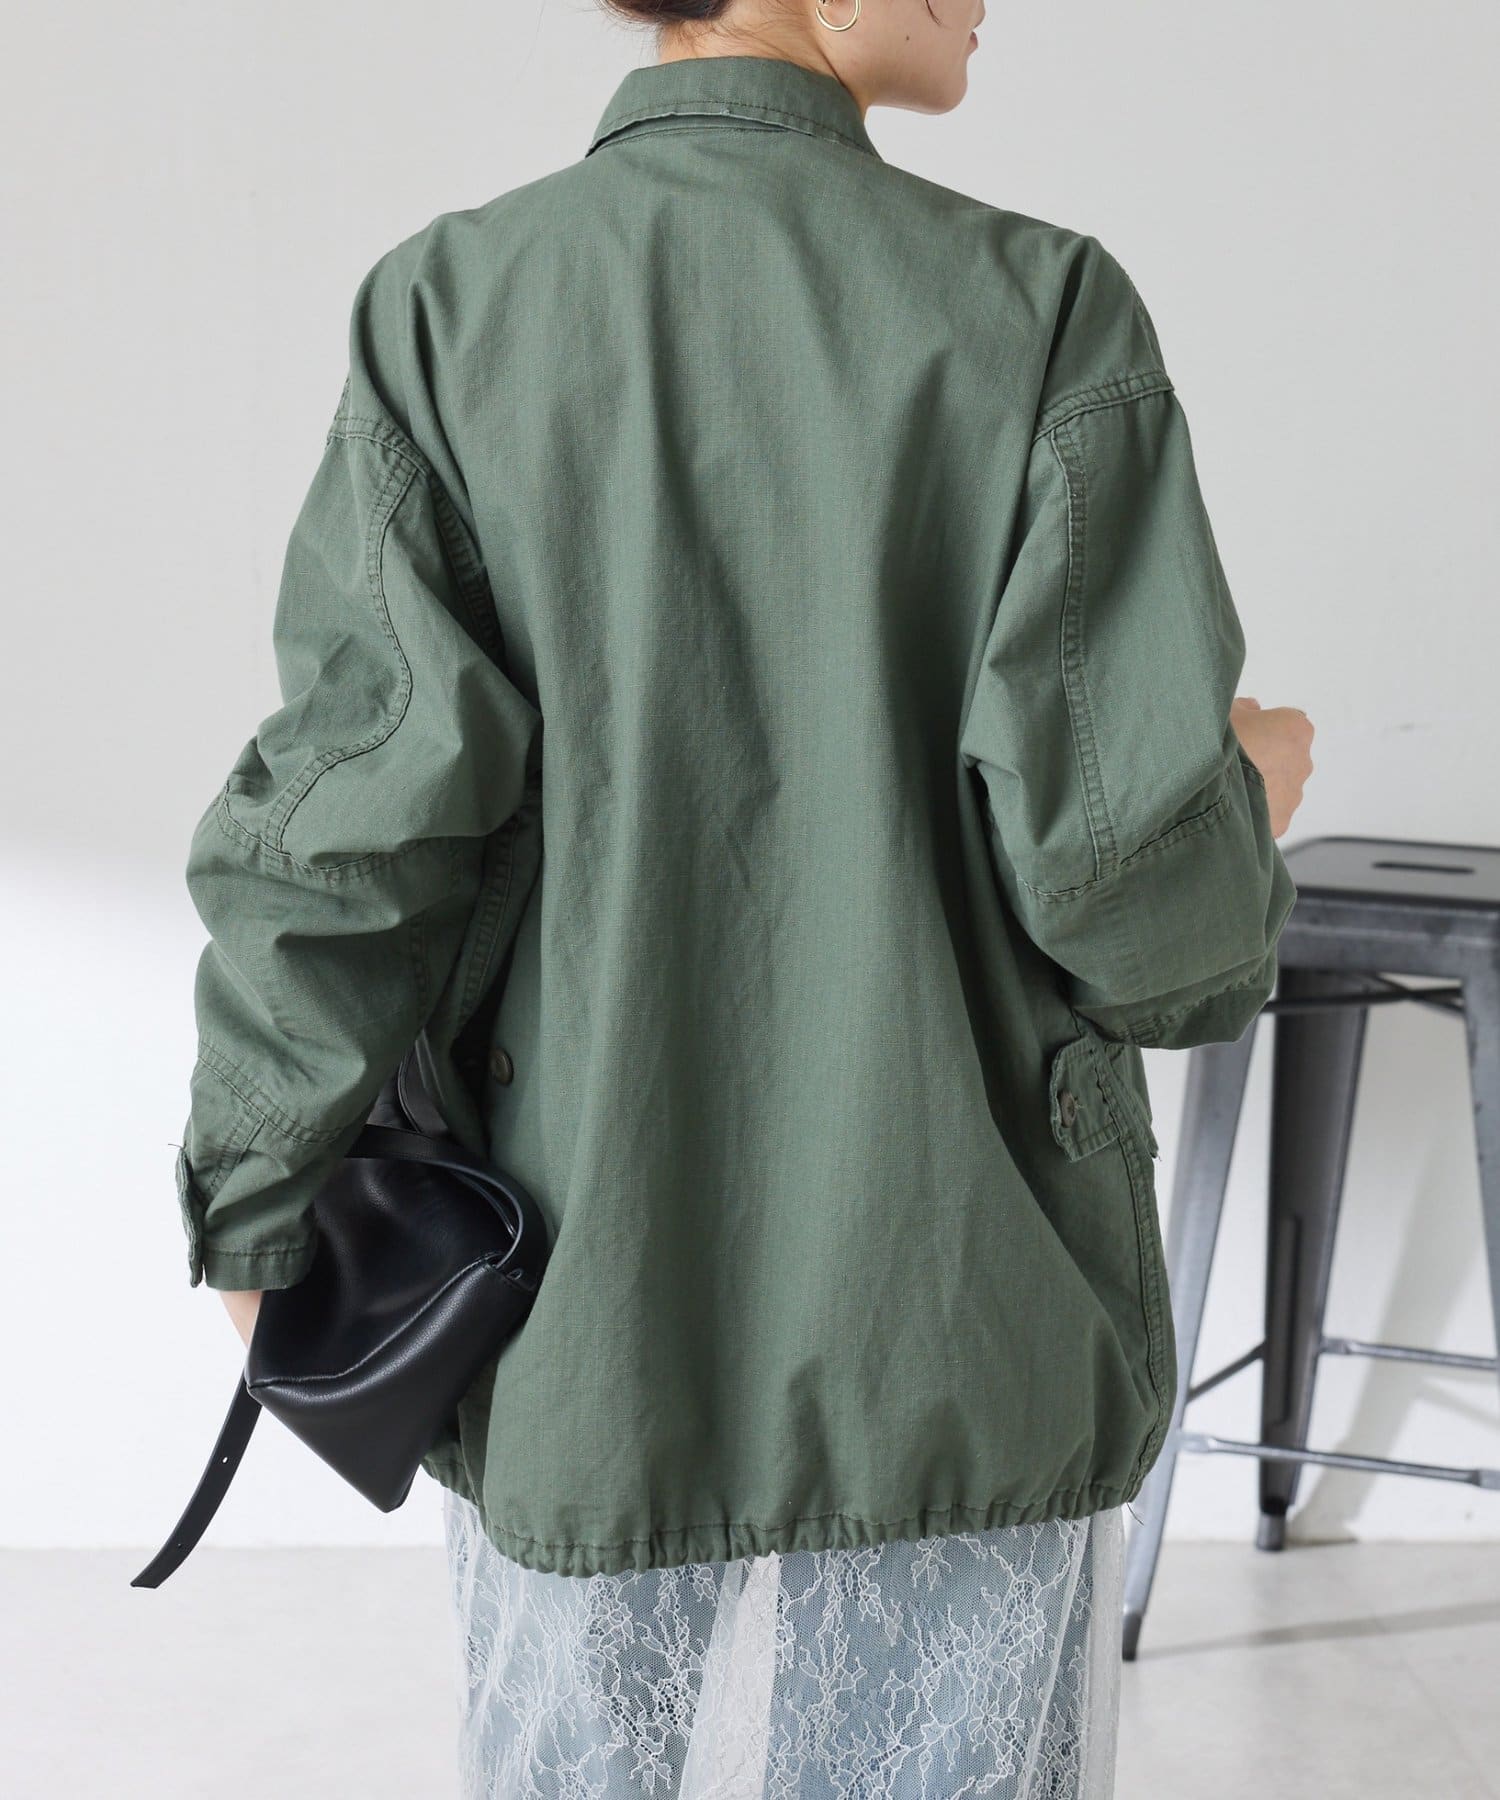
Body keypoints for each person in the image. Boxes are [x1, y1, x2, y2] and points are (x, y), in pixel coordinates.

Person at [177, 0, 1315, 1792]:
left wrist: (253, 1195)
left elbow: (352, 826)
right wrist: (1243, 795)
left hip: (585, 1325)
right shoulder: (1041, 310)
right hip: (967, 1318)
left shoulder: (448, 312)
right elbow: (1128, 888)